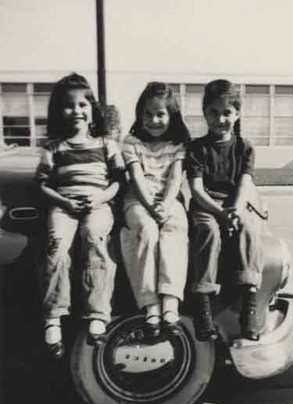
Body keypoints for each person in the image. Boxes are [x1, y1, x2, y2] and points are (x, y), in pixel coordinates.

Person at [35, 73, 124, 359]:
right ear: (59, 111)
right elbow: (42, 184)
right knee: (57, 245)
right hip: (63, 205)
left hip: (98, 203)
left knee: (94, 238)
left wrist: (100, 197)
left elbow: (118, 182)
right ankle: (53, 316)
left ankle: (98, 311)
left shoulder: (106, 144)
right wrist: (64, 201)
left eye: (83, 104)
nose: (77, 111)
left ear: (92, 109)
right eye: (69, 105)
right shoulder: (53, 148)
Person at [186, 79, 264, 342]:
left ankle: (249, 306)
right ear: (205, 114)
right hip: (206, 205)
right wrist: (220, 213)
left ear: (238, 114)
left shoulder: (244, 147)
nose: (221, 119)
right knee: (207, 231)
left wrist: (235, 211)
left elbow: (244, 183)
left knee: (248, 229)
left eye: (227, 112)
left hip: (234, 203)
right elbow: (196, 189)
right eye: (214, 112)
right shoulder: (197, 148)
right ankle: (203, 305)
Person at [120, 82, 190, 338]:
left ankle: (170, 301)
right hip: (139, 200)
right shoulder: (131, 142)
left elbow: (175, 179)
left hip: (169, 200)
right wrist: (152, 206)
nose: (154, 120)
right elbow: (137, 179)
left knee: (175, 228)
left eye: (160, 114)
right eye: (147, 114)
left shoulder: (179, 144)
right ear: (139, 115)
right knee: (147, 231)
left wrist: (166, 205)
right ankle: (150, 303)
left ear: (171, 116)